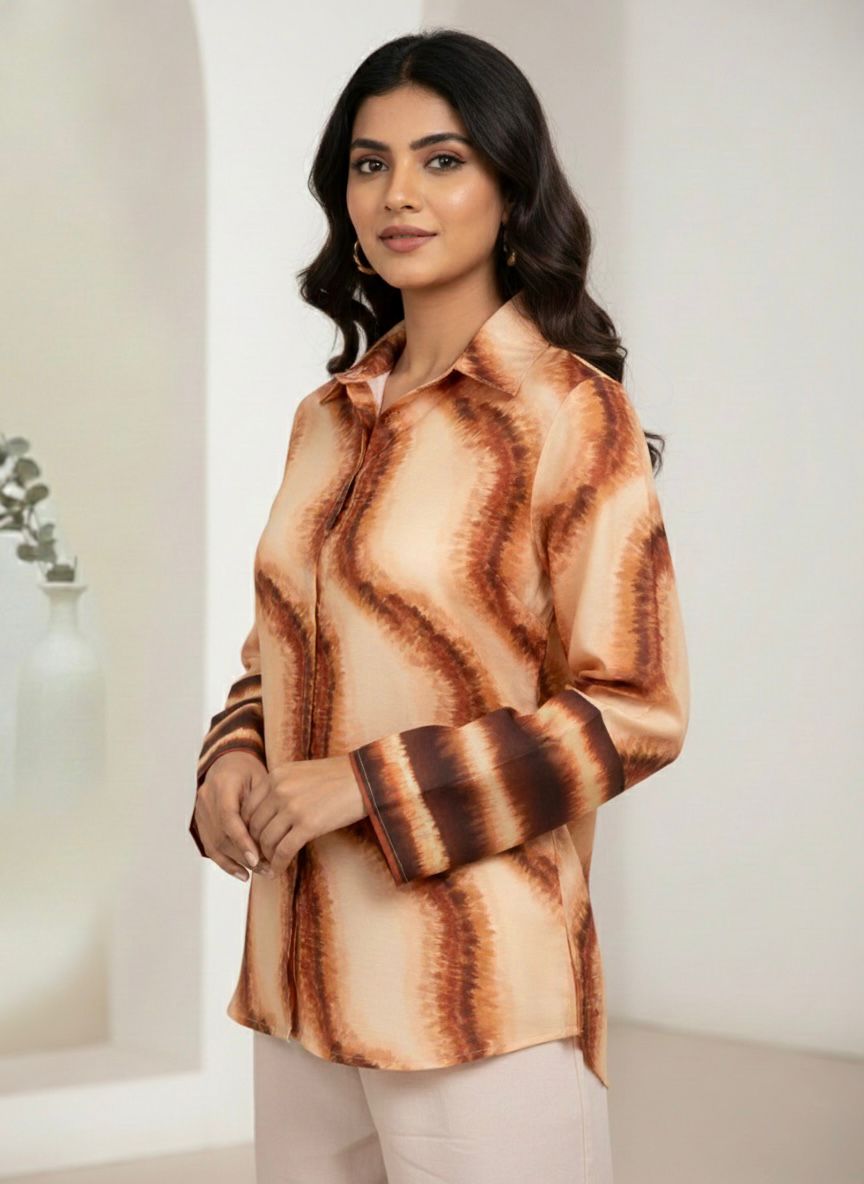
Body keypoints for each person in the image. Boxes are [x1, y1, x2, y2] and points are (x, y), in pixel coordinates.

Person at [189, 27, 689, 1184]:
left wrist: (364, 784)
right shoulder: (327, 417)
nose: (397, 194)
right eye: (369, 164)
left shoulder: (570, 413)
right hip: (297, 982)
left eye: (442, 159)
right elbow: (277, 651)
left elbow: (637, 709)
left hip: (477, 993)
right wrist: (232, 758)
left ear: (511, 188)